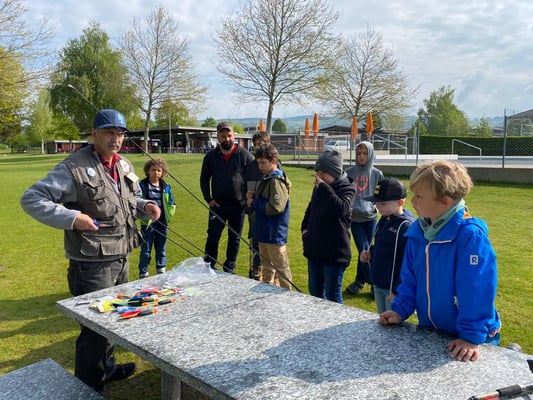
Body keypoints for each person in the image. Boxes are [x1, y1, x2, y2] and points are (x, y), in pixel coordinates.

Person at [20, 109, 161, 392]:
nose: (115, 138)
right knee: (94, 329)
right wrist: (73, 218)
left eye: (120, 133)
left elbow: (128, 199)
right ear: (93, 134)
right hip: (92, 264)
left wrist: (144, 205)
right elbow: (32, 198)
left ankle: (107, 368)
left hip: (121, 256)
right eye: (109, 132)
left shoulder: (122, 165)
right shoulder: (73, 167)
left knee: (113, 319)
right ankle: (88, 388)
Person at [379, 160, 501, 362]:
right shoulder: (418, 232)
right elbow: (410, 278)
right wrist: (400, 310)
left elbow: (477, 289)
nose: (412, 201)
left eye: (419, 196)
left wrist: (470, 337)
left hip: (470, 340)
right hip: (433, 332)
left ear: (444, 201)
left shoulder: (470, 237)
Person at [301, 149, 356, 303]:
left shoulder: (348, 188)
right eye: (317, 170)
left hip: (335, 253)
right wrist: (304, 230)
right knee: (315, 291)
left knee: (333, 295)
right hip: (315, 250)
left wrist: (324, 188)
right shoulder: (319, 186)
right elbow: (311, 209)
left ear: (334, 171)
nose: (318, 174)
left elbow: (341, 209)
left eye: (322, 171)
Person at [200, 121, 253, 273]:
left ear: (234, 135)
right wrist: (208, 199)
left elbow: (253, 178)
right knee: (213, 236)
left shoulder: (244, 155)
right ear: (217, 137)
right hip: (218, 206)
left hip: (239, 206)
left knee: (234, 238)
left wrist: (249, 199)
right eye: (223, 136)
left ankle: (229, 267)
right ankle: (209, 265)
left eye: (229, 135)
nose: (227, 139)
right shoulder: (210, 157)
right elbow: (204, 179)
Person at [360, 178, 415, 313]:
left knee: (392, 321)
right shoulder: (385, 218)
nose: (378, 207)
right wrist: (371, 253)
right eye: (376, 202)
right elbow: (381, 243)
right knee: (382, 318)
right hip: (378, 282)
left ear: (400, 202)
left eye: (383, 203)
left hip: (393, 289)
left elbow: (410, 262)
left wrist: (397, 290)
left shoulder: (405, 226)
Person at [248, 143, 292, 289]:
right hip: (264, 231)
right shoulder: (267, 177)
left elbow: (276, 207)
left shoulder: (276, 181)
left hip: (274, 233)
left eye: (263, 162)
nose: (260, 166)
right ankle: (267, 290)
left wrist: (254, 203)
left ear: (273, 160)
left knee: (281, 267)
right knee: (266, 266)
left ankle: (288, 295)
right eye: (258, 162)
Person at [345, 140, 384, 295]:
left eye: (365, 153)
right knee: (364, 248)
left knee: (370, 250)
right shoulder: (349, 173)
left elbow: (380, 195)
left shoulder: (377, 174)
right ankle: (370, 282)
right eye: (359, 153)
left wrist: (376, 206)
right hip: (355, 219)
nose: (361, 156)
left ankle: (362, 281)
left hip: (371, 218)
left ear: (371, 154)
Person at [137, 158, 176, 278]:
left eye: (159, 170)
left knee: (161, 248)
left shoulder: (166, 187)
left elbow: (172, 203)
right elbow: (137, 201)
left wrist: (168, 215)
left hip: (162, 222)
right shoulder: (142, 185)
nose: (156, 173)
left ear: (163, 172)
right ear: (148, 171)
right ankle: (143, 272)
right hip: (147, 223)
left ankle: (161, 270)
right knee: (146, 249)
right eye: (153, 170)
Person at [245, 132, 272, 280]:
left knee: (268, 242)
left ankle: (271, 272)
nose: (257, 147)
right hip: (254, 210)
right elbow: (247, 187)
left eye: (260, 144)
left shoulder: (273, 164)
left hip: (268, 209)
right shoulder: (250, 166)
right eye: (255, 145)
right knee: (255, 241)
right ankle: (257, 268)